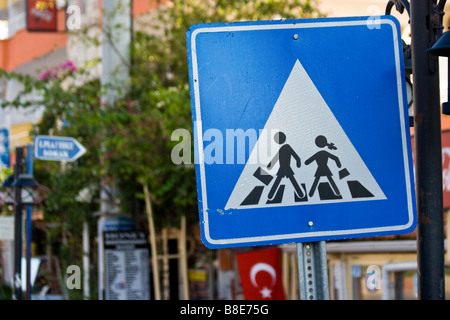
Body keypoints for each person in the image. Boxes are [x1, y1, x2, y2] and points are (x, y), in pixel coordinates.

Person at [267, 132, 304, 200]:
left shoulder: (286, 147)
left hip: (286, 167)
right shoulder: (284, 148)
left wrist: (270, 166)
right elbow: (276, 158)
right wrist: (270, 165)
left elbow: (296, 157)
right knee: (288, 180)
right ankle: (300, 194)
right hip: (283, 168)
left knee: (282, 180)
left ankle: (270, 195)